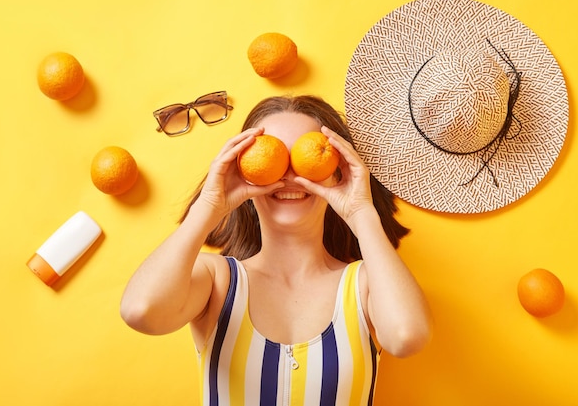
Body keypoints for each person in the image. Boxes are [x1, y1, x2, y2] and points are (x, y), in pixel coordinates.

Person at [120, 95, 432, 405]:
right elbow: (141, 311)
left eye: (302, 157)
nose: (288, 176)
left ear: (338, 172)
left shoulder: (365, 284)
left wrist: (361, 212)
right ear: (242, 169)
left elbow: (407, 336)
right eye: (274, 156)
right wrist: (210, 205)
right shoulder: (217, 281)